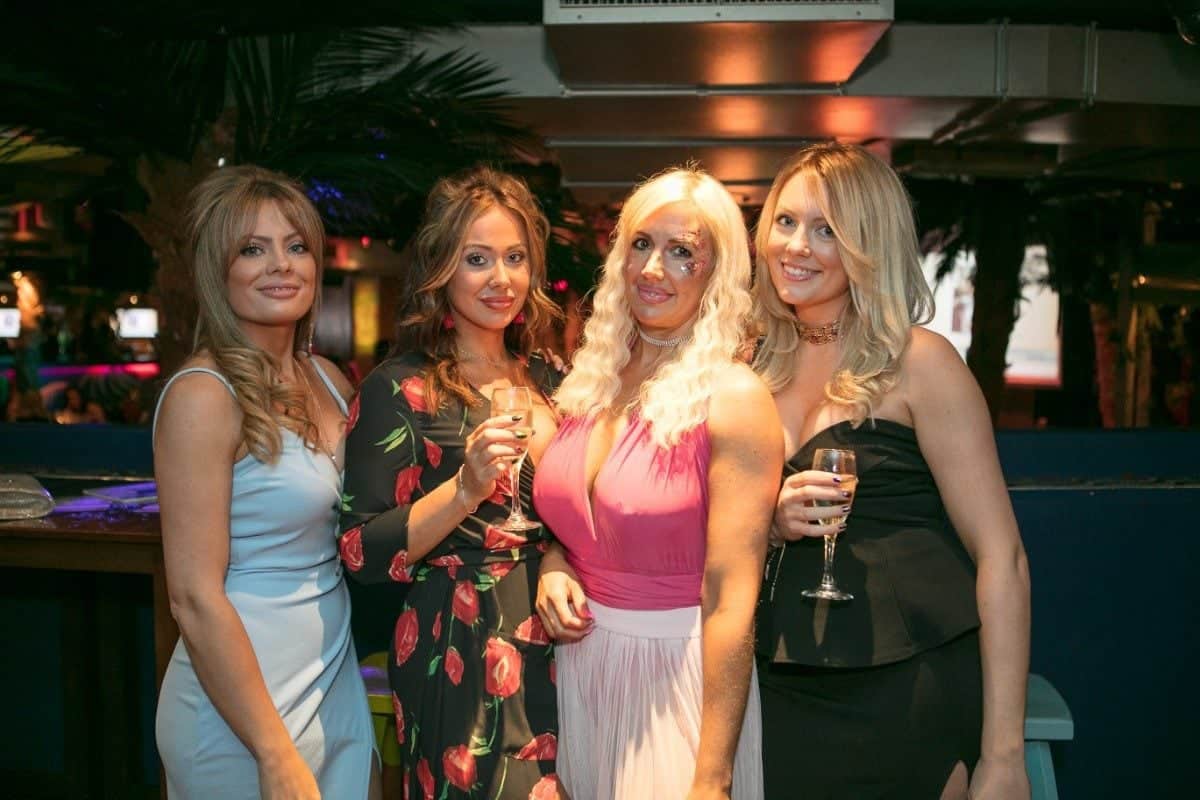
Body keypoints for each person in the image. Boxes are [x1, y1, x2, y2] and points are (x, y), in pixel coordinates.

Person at [752, 143, 1032, 800]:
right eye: (786, 221)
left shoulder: (921, 362)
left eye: (827, 229)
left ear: (868, 244)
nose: (796, 246)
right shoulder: (751, 370)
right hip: (780, 686)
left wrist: (1004, 755)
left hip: (910, 689)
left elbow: (1003, 559)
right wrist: (769, 523)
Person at [532, 166, 782, 800]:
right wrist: (555, 562)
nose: (652, 268)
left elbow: (731, 601)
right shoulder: (592, 381)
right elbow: (580, 521)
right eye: (641, 244)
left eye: (681, 252)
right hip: (581, 669)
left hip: (679, 683)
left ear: (717, 273)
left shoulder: (733, 397)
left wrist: (712, 777)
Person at [338, 166, 564, 800]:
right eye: (477, 259)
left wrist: (557, 556)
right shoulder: (399, 387)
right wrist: (465, 489)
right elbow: (360, 551)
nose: (501, 278)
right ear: (441, 268)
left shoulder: (552, 376)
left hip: (561, 633)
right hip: (462, 638)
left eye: (515, 257)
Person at [153, 165, 377, 799]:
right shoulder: (202, 395)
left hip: (331, 680)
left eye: (295, 245)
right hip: (239, 707)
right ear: (217, 271)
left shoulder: (329, 379)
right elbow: (193, 596)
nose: (281, 264)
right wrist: (272, 749)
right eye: (252, 249)